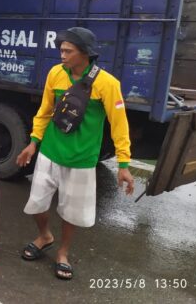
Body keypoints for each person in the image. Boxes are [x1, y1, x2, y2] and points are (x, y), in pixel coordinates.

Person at [16, 27, 134, 280]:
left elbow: (119, 123)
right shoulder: (56, 74)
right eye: (61, 49)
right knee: (36, 204)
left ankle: (63, 253)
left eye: (68, 51)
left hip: (81, 159)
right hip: (50, 151)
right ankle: (45, 235)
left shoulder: (107, 84)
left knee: (71, 212)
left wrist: (124, 163)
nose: (62, 54)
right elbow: (45, 110)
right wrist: (33, 142)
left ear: (85, 54)